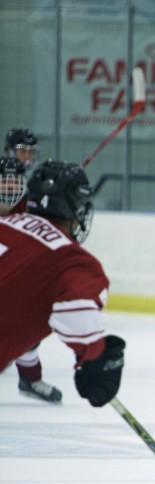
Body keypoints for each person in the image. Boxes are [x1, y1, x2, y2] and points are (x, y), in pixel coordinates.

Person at [0, 160, 125, 408]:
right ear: (74, 209)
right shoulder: (72, 260)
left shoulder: (5, 223)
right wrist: (97, 359)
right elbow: (77, 316)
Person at [1, 154, 65, 403]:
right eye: (4, 181)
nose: (10, 186)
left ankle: (30, 378)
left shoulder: (31, 211)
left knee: (27, 322)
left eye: (15, 181)